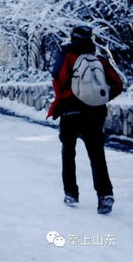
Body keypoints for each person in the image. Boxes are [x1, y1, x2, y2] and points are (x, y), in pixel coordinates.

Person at [47, 25, 124, 214]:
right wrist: (100, 99)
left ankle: (71, 193)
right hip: (94, 114)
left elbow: (57, 79)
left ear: (72, 37)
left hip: (70, 112)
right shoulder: (98, 59)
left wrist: (65, 99)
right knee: (97, 155)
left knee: (68, 153)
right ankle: (105, 195)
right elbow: (118, 83)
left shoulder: (66, 55)